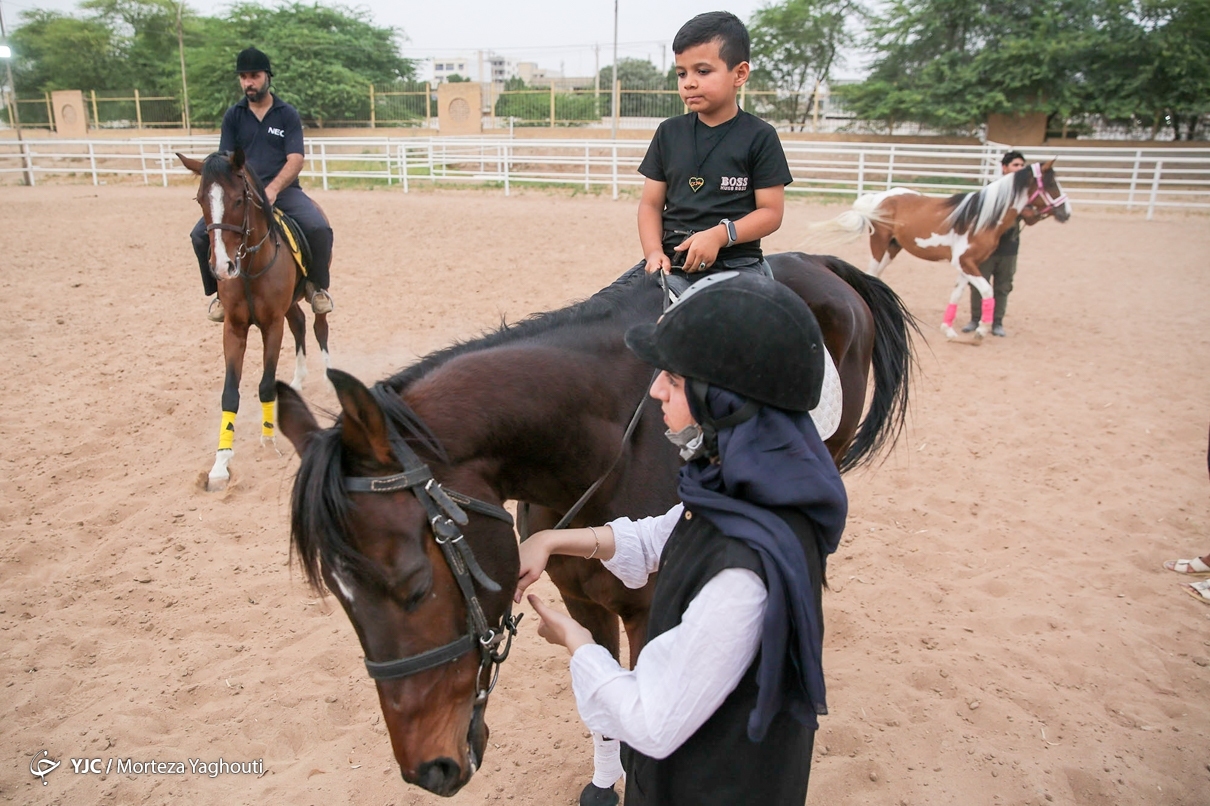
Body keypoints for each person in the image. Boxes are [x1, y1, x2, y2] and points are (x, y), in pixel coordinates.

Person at [515, 272, 849, 805]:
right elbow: (658, 539)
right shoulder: (743, 494)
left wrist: (576, 643)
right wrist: (553, 541)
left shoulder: (745, 571)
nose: (655, 390)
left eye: (673, 377)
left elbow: (653, 721)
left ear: (724, 400)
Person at [634, 11, 792, 282]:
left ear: (739, 73)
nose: (689, 82)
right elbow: (650, 205)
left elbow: (771, 213)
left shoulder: (760, 136)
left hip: (736, 262)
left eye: (703, 71)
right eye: (682, 73)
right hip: (672, 260)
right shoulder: (668, 132)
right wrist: (653, 252)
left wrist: (720, 235)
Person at [190, 46, 334, 322]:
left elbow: (295, 159)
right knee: (199, 235)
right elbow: (224, 160)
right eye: (243, 77)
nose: (248, 83)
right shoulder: (233, 116)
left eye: (253, 76)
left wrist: (273, 189)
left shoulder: (286, 114)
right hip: (241, 194)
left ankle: (317, 289)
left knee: (319, 228)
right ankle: (218, 294)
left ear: (267, 76)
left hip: (283, 190)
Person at [961, 150, 1036, 337]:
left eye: (1021, 166)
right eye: (1015, 165)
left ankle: (997, 322)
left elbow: (1030, 219)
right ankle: (976, 319)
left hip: (1009, 247)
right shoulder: (991, 191)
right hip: (985, 247)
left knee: (1003, 285)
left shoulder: (1023, 195)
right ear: (1004, 168)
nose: (1019, 169)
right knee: (979, 283)